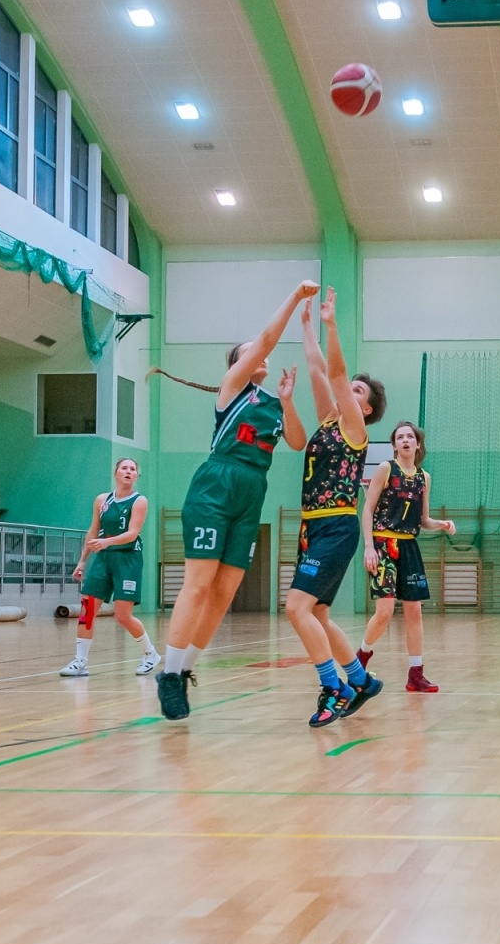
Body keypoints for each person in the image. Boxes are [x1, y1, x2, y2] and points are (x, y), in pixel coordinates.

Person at [154, 279, 315, 721]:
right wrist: (296, 297)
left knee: (224, 594)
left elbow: (299, 442)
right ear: (240, 363)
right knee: (199, 584)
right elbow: (267, 339)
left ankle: (184, 671)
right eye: (250, 353)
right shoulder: (232, 390)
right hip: (216, 486)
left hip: (252, 490)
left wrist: (288, 401)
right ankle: (167, 673)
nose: (260, 355)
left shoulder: (271, 404)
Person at [285, 289, 388, 728]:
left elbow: (337, 371)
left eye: (357, 391)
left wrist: (331, 325)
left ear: (363, 408)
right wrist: (306, 324)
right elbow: (317, 370)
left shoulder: (353, 427)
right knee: (318, 613)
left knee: (296, 608)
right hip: (312, 528)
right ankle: (361, 679)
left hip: (337, 527)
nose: (347, 389)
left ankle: (335, 687)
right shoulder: (329, 420)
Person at [356, 421, 457, 692]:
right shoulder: (386, 469)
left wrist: (441, 524)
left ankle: (416, 674)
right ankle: (360, 658)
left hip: (409, 546)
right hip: (383, 544)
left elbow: (422, 519)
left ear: (417, 444)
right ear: (394, 445)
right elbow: (367, 511)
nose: (405, 440)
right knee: (385, 612)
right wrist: (368, 546)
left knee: (414, 611)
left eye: (409, 436)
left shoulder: (424, 477)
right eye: (400, 437)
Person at [61, 457, 161, 678]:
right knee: (87, 611)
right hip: (103, 559)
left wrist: (107, 542)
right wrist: (82, 561)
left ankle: (150, 653)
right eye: (124, 468)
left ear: (136, 476)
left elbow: (132, 533)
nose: (128, 471)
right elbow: (93, 530)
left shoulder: (139, 501)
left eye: (132, 469)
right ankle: (81, 661)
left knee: (122, 615)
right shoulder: (101, 500)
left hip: (128, 559)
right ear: (116, 473)